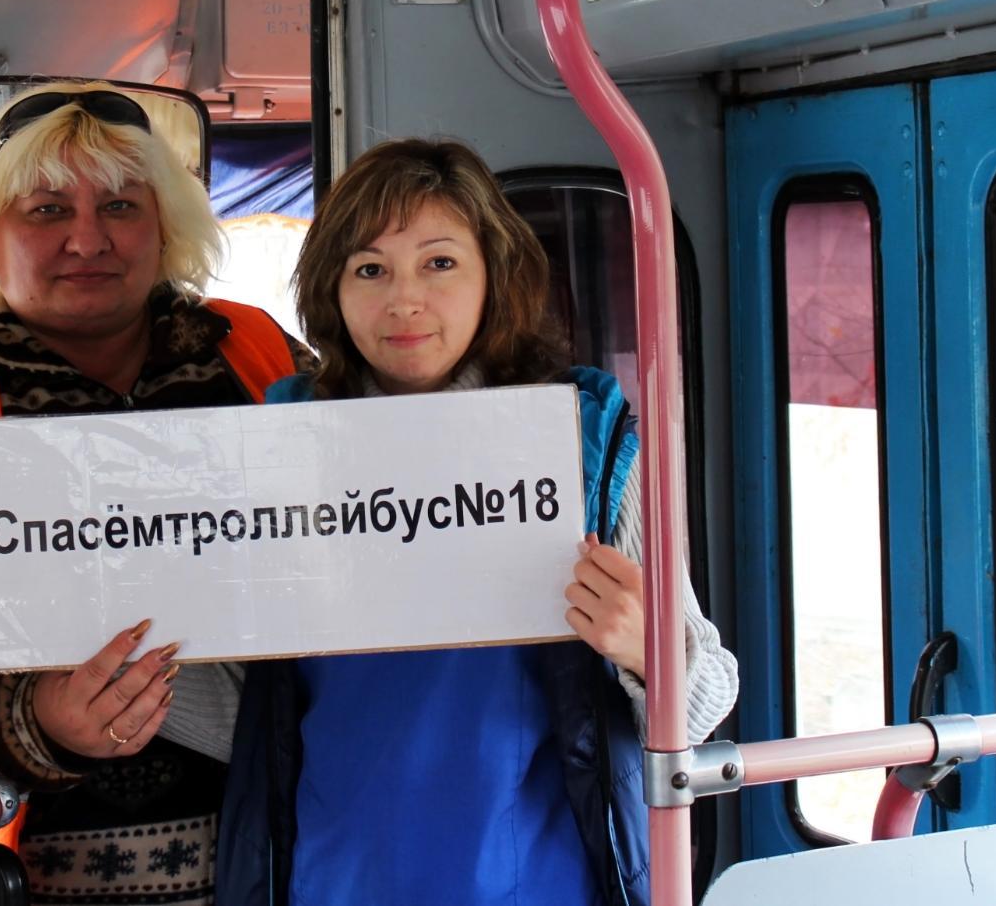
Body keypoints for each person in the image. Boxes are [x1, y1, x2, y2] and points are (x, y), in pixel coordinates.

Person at [214, 138, 738, 906]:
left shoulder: (580, 442)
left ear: (495, 273)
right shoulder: (279, 449)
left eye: (440, 263)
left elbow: (707, 696)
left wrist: (646, 650)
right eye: (370, 269)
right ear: (332, 288)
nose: (405, 300)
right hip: (333, 875)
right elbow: (243, 700)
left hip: (541, 883)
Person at [0, 80, 309, 906]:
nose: (88, 239)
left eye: (120, 206)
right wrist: (42, 722)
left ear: (165, 227)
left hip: (300, 848)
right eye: (47, 210)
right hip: (46, 878)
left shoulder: (259, 351)